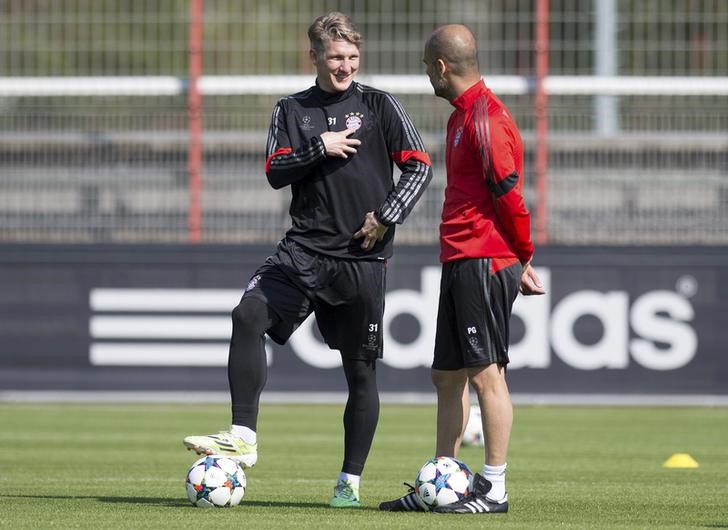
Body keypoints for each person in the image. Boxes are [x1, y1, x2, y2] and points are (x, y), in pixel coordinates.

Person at [183, 12, 433, 509]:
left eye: (352, 58)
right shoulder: (291, 109)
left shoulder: (380, 106)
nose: (344, 66)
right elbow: (275, 170)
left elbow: (420, 167)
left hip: (362, 260)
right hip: (303, 252)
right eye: (335, 57)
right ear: (314, 55)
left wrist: (386, 217)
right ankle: (243, 436)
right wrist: (321, 147)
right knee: (247, 314)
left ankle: (349, 482)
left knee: (360, 373)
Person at [379, 24, 545, 514]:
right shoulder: (461, 117)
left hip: (482, 258)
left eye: (427, 66)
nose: (427, 75)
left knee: (485, 374)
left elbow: (510, 196)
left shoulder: (486, 119)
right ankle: (443, 481)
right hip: (459, 259)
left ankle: (494, 487)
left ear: (441, 66)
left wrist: (523, 255)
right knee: (446, 376)